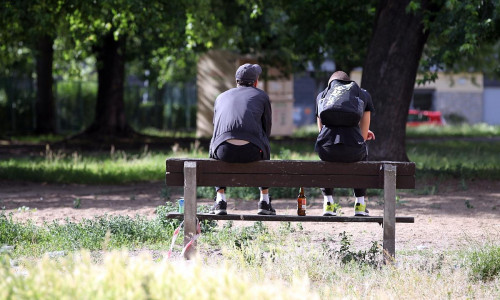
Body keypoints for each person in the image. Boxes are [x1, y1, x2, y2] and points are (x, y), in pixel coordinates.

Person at [208, 63, 275, 215]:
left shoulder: (220, 97)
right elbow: (267, 130)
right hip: (252, 151)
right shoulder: (262, 96)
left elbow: (216, 127)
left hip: (223, 151)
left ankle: (220, 200)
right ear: (256, 82)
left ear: (236, 81)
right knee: (263, 141)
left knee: (215, 140)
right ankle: (264, 201)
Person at [315, 70, 376, 216]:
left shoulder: (322, 95)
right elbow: (362, 135)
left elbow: (321, 130)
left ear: (331, 85)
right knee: (363, 153)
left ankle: (328, 203)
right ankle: (360, 204)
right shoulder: (362, 94)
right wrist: (361, 134)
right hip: (353, 150)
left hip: (327, 149)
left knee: (325, 158)